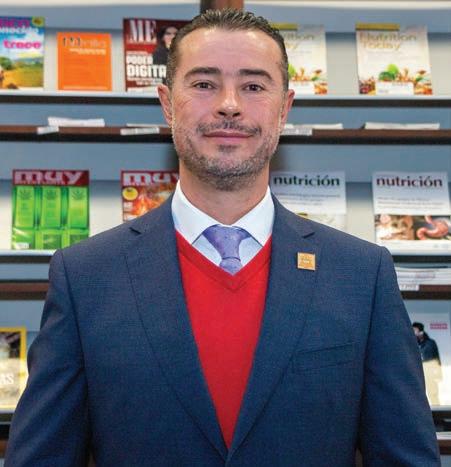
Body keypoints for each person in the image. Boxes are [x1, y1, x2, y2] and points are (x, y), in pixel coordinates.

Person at [5, 9, 439, 466]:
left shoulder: (361, 275)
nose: (229, 105)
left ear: (284, 108)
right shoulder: (85, 277)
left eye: (253, 86)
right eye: (204, 84)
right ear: (167, 103)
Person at [413, 322, 442, 405]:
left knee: (433, 395)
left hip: (430, 374)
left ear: (421, 332)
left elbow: (436, 358)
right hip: (418, 374)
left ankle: (437, 411)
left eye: (415, 330)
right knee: (418, 396)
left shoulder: (431, 343)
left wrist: (439, 374)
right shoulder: (413, 344)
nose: (413, 333)